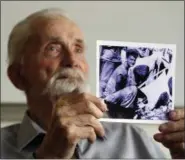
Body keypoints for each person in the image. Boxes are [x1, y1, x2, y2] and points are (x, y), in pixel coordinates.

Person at [1, 8, 185, 159]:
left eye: (78, 48)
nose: (73, 60)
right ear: (18, 75)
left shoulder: (132, 138)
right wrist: (51, 156)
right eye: (53, 48)